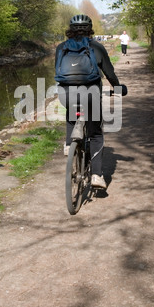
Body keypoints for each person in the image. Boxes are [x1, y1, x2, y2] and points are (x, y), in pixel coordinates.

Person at [55, 14, 127, 190]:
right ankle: (96, 175)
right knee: (95, 133)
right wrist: (118, 88)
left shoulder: (61, 47)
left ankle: (68, 145)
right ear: (90, 29)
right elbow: (109, 74)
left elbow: (58, 71)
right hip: (91, 94)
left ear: (70, 30)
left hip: (66, 93)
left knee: (71, 111)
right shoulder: (96, 47)